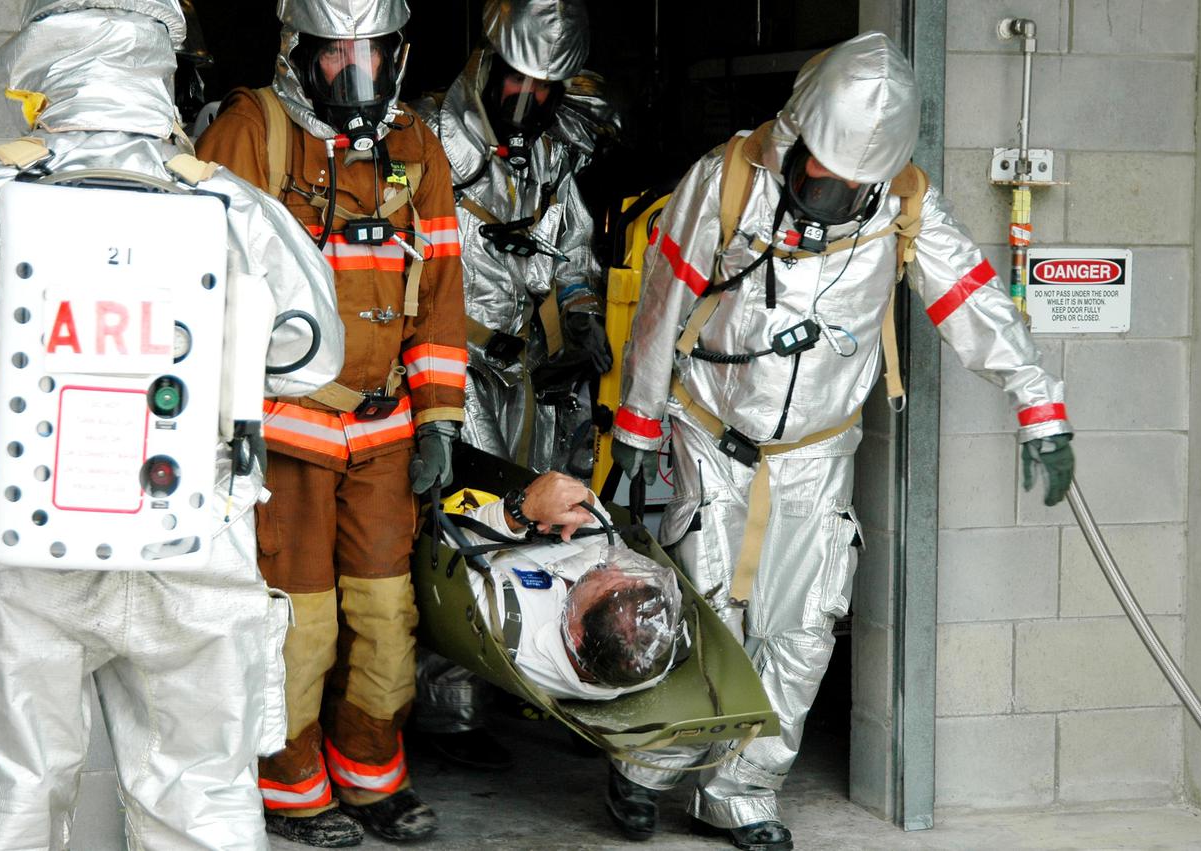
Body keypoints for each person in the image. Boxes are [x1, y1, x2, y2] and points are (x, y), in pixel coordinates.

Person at [607, 33, 1074, 851]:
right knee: (707, 616)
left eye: (852, 183)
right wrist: (639, 419)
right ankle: (645, 765)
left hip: (816, 454)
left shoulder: (905, 206)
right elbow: (663, 295)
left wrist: (1039, 404)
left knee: (804, 627)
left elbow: (973, 300)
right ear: (797, 136)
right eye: (821, 173)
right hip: (714, 433)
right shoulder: (729, 180)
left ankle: (741, 791)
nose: (832, 192)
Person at [0, 1, 344, 848]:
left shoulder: (2, 196)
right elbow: (313, 354)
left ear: (38, 73)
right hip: (193, 536)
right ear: (160, 69)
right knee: (204, 792)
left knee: (17, 790)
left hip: (26, 545)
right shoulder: (229, 204)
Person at [195, 0, 468, 845]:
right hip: (286, 432)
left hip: (384, 434)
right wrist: (223, 424)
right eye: (336, 54)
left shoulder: (417, 148)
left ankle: (371, 772)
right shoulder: (253, 132)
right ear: (297, 51)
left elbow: (441, 292)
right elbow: (203, 280)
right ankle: (289, 782)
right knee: (299, 625)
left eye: (373, 54)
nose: (358, 74)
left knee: (388, 618)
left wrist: (439, 419)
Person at [411, 0, 612, 772]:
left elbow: (573, 249)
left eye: (544, 88)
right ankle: (448, 709)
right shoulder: (425, 134)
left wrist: (581, 319)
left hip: (526, 368)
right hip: (448, 362)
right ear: (488, 64)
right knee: (465, 520)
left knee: (538, 519)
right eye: (516, 82)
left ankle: (528, 670)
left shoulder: (556, 150)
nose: (526, 101)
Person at [443, 472, 683, 700]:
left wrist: (519, 512)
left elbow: (442, 557)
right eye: (630, 580)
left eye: (604, 585)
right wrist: (583, 502)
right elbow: (605, 534)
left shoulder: (508, 630)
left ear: (577, 635)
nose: (615, 568)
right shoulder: (648, 636)